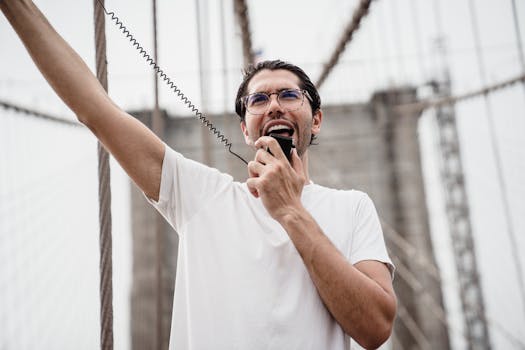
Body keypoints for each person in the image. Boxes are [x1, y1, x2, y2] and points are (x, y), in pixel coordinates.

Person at [1, 1, 397, 349]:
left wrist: (291, 212)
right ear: (245, 129)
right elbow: (95, 110)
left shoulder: (353, 207)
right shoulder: (202, 197)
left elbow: (375, 327)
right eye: (258, 99)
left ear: (316, 121)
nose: (274, 105)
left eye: (289, 95)